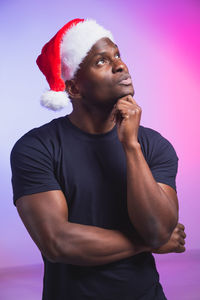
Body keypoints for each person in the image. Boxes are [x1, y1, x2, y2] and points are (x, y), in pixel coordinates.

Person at [10, 18, 186, 300]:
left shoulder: (152, 145)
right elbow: (58, 242)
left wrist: (130, 145)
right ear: (74, 88)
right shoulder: (36, 148)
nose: (120, 65)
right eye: (101, 62)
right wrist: (147, 244)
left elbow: (158, 227)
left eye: (117, 55)